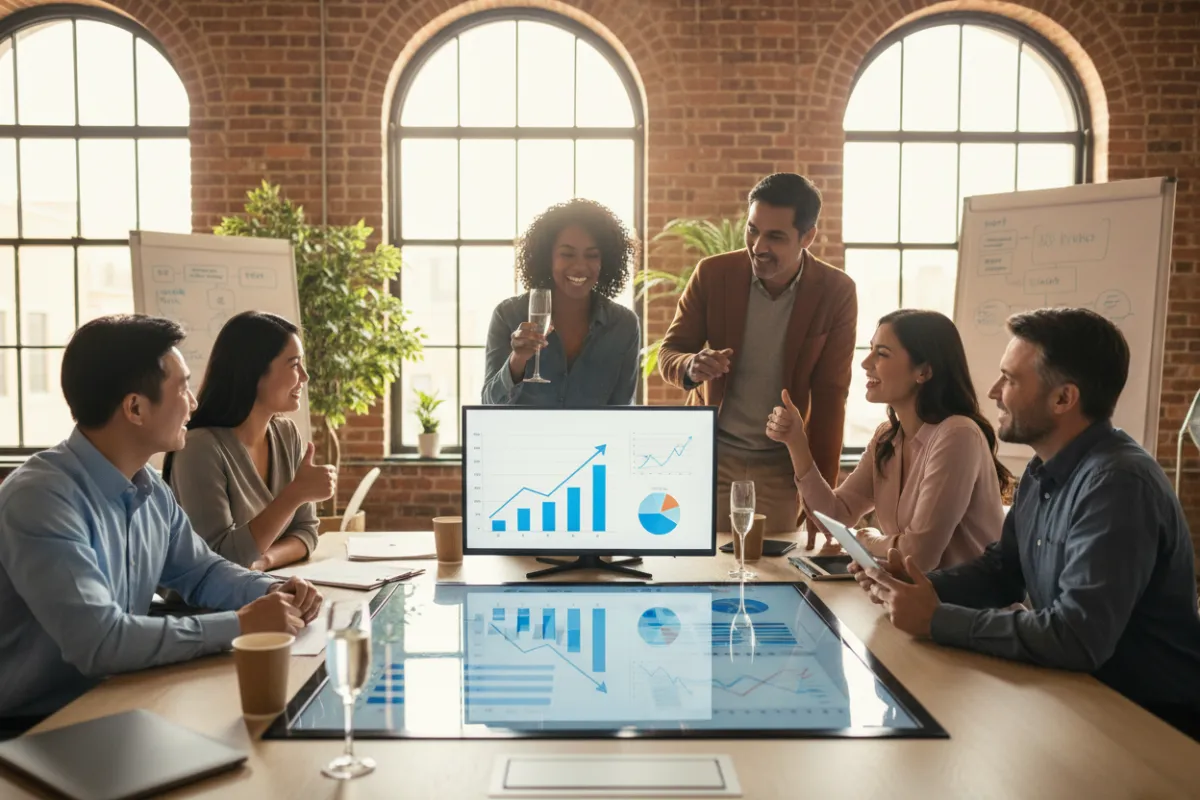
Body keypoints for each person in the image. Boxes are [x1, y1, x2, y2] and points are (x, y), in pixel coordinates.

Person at [854, 308, 1200, 740]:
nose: (995, 392)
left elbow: (1076, 636)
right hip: (1075, 700)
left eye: (1011, 380)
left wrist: (936, 619)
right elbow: (1003, 570)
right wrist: (916, 584)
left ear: (1063, 399)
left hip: (1146, 724)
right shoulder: (1042, 469)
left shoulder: (1118, 485)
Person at [0, 314, 321, 732]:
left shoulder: (147, 484)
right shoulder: (41, 498)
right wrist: (242, 624)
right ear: (135, 407)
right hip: (32, 729)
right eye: (183, 388)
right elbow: (101, 642)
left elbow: (202, 572)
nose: (193, 403)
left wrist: (275, 591)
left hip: (119, 700)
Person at [658, 173, 857, 539]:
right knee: (700, 568)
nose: (758, 246)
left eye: (775, 237)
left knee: (770, 574)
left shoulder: (835, 291)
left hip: (781, 467)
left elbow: (832, 397)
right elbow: (669, 352)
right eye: (753, 230)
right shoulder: (713, 274)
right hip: (709, 454)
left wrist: (822, 503)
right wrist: (691, 365)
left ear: (807, 236)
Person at [766, 309, 1010, 570]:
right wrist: (796, 442)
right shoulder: (887, 437)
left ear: (924, 372)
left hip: (968, 608)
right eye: (871, 349)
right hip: (912, 601)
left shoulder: (958, 434)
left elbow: (918, 556)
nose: (865, 362)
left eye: (881, 353)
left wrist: (865, 539)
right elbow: (835, 516)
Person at [164, 311, 334, 571]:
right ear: (253, 372)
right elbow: (220, 562)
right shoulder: (200, 448)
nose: (305, 376)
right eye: (293, 364)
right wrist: (294, 495)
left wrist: (264, 561)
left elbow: (307, 532)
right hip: (208, 609)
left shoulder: (286, 434)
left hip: (266, 588)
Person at [483, 198, 640, 407]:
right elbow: (488, 404)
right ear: (547, 258)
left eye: (592, 255)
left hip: (592, 440)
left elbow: (621, 412)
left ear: (605, 261)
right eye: (567, 254)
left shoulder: (623, 325)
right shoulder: (508, 315)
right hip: (523, 439)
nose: (580, 266)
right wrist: (518, 360)